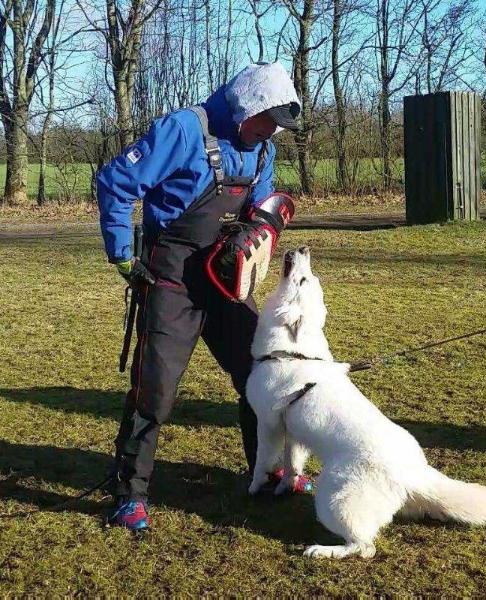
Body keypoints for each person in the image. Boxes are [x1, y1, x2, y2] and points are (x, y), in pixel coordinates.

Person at [97, 62, 311, 532]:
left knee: (261, 372)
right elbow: (115, 181)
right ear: (245, 108)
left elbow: (262, 201)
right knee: (154, 389)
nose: (273, 131)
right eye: (268, 119)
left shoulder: (263, 148)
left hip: (227, 278)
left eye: (279, 123)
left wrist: (262, 226)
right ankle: (129, 494)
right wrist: (122, 255)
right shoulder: (183, 130)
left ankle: (270, 471)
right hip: (170, 276)